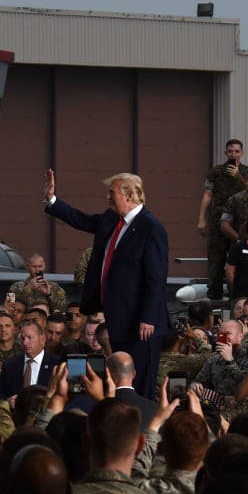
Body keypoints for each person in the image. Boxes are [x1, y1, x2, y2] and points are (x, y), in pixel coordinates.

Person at [44, 169, 169, 398]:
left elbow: (156, 278)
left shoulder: (151, 228)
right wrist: (53, 200)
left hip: (142, 325)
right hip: (119, 319)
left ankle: (142, 428)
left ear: (129, 196)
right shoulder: (112, 219)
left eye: (112, 193)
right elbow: (83, 220)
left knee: (139, 384)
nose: (107, 197)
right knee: (121, 381)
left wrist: (148, 317)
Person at [197, 139, 248, 300]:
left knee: (239, 258)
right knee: (216, 258)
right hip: (218, 220)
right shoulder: (216, 171)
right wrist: (201, 219)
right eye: (230, 151)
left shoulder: (247, 172)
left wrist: (239, 176)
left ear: (242, 153)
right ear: (226, 153)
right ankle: (214, 292)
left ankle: (236, 293)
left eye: (236, 151)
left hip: (239, 223)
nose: (233, 154)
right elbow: (207, 194)